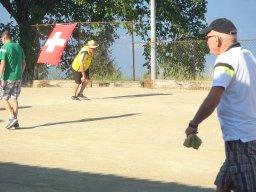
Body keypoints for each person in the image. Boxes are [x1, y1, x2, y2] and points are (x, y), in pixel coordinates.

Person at [185, 18, 256, 192]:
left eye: (207, 38)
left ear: (216, 39)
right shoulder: (248, 56)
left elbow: (213, 99)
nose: (206, 42)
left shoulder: (226, 60)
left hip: (240, 139)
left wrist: (193, 124)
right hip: (248, 136)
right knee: (223, 185)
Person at [0, 30, 26, 129]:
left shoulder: (4, 48)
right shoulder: (19, 47)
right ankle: (15, 122)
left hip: (7, 77)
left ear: (4, 38)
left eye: (1, 39)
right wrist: (20, 73)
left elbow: (2, 64)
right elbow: (24, 63)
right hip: (18, 77)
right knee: (14, 98)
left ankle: (12, 117)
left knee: (3, 97)